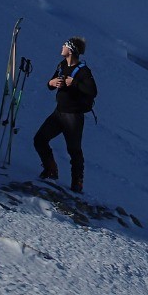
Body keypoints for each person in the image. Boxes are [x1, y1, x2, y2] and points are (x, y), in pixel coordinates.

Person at [33, 37, 97, 192]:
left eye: (65, 45)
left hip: (73, 117)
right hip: (59, 113)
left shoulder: (83, 71)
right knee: (40, 139)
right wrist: (51, 83)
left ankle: (77, 182)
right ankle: (51, 169)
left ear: (71, 49)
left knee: (74, 150)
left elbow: (93, 91)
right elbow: (50, 84)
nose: (62, 47)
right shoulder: (61, 65)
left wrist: (73, 83)